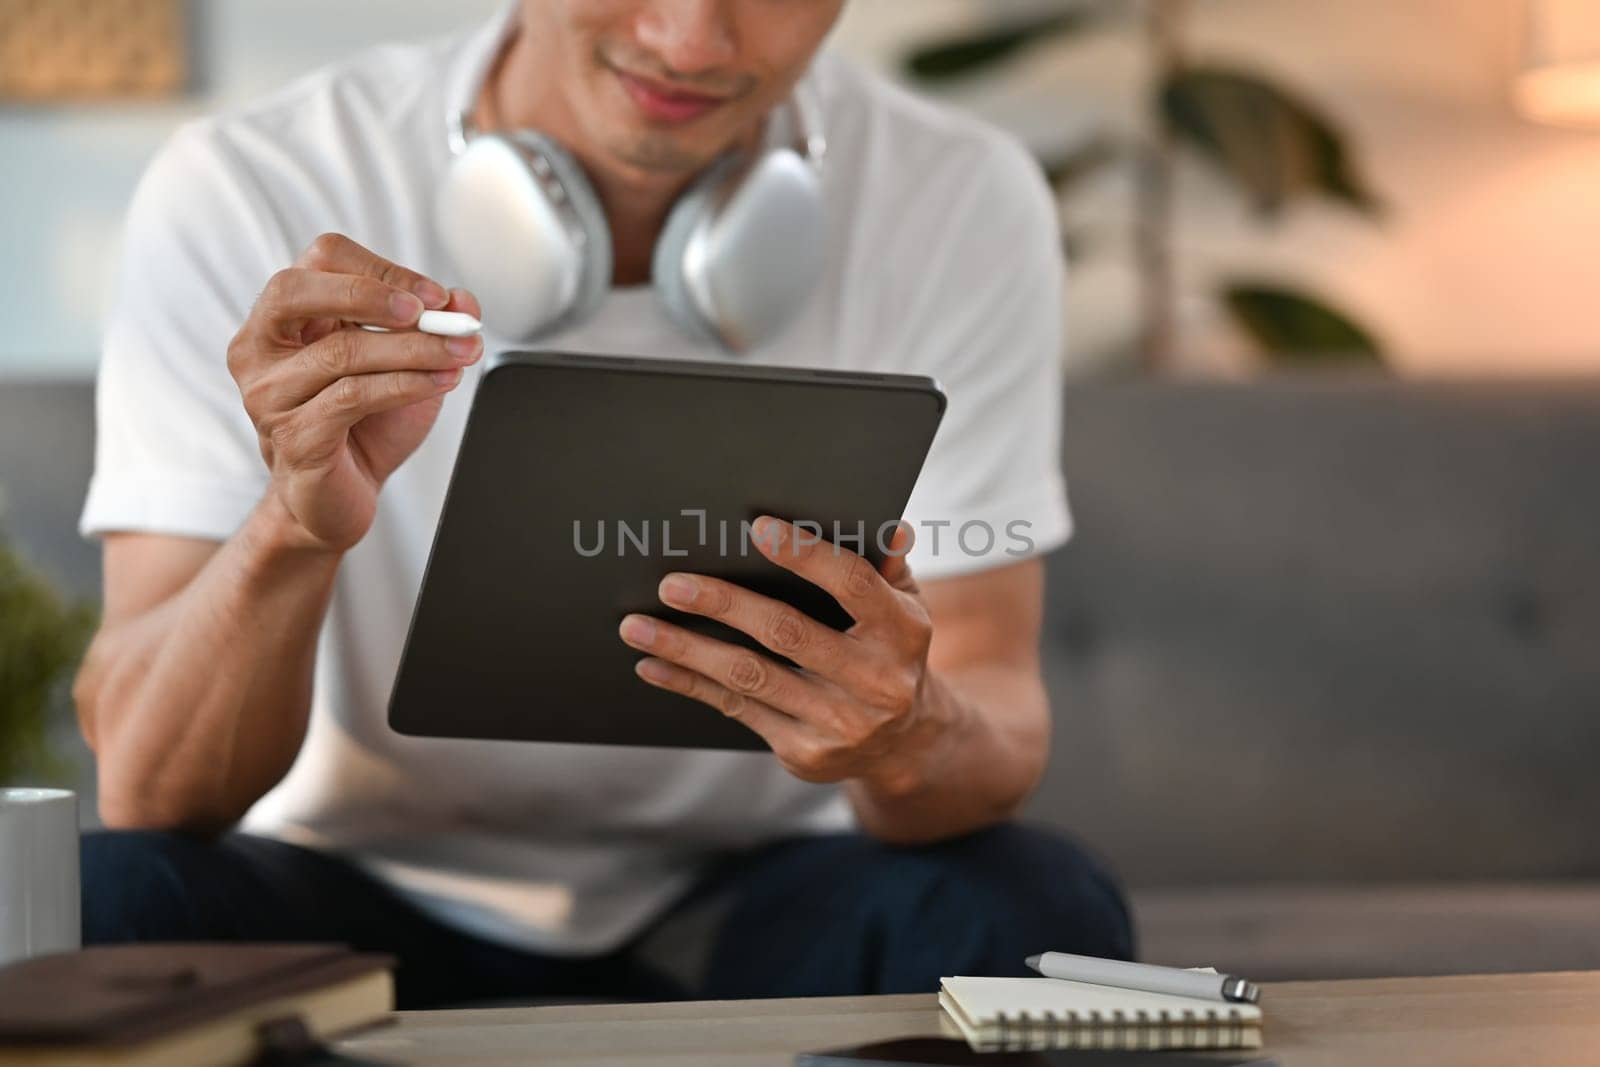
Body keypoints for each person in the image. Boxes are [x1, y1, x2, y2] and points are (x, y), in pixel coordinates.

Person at [73, 0, 1132, 1008]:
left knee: (1037, 905)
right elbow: (152, 789)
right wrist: (292, 527)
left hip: (760, 902)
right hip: (359, 887)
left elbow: (995, 704)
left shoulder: (956, 195)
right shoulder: (253, 181)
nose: (688, 39)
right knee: (110, 900)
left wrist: (907, 730)